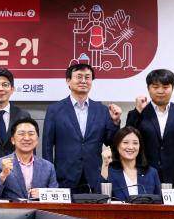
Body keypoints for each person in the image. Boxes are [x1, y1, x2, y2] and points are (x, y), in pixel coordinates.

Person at [43, 63, 121, 193]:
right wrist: (49, 175)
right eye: (79, 77)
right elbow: (47, 146)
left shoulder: (101, 110)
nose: (83, 81)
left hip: (95, 175)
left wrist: (115, 122)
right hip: (64, 176)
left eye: (87, 77)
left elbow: (111, 142)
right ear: (68, 81)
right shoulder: (55, 110)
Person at [125, 69, 174, 188]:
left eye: (165, 87)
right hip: (144, 177)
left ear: (172, 87)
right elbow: (127, 142)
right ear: (148, 88)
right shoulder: (137, 114)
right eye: (155, 87)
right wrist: (137, 112)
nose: (160, 91)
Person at [0, 118, 58, 200]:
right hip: (11, 211)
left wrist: (44, 194)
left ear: (37, 140)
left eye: (31, 134)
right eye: (21, 134)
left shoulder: (48, 167)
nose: (26, 138)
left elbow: (57, 197)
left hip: (40, 212)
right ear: (12, 140)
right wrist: (3, 174)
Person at [100, 127, 161, 201]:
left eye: (135, 143)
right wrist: (105, 165)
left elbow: (160, 202)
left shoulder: (151, 173)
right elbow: (100, 200)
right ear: (117, 145)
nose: (131, 147)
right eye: (125, 142)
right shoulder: (108, 171)